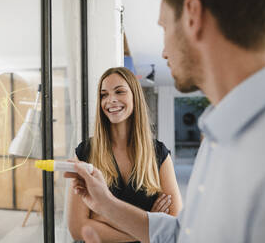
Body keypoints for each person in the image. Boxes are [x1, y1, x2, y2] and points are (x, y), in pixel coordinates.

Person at [65, 0, 265, 242]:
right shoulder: (216, 137)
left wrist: (105, 216)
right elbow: (183, 234)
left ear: (192, 15)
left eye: (164, 27)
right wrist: (106, 205)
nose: (164, 52)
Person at [67, 67, 183, 242]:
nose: (111, 100)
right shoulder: (85, 152)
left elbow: (174, 225)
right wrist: (147, 225)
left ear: (135, 97)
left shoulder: (158, 153)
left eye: (119, 91)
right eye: (104, 95)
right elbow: (79, 229)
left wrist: (102, 219)